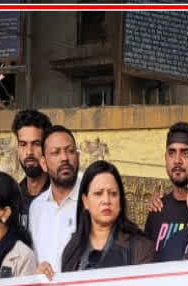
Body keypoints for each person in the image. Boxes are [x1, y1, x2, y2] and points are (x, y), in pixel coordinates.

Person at [37, 160, 154, 277]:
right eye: (98, 193)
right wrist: (44, 278)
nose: (106, 200)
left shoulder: (140, 247)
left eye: (113, 193)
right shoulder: (72, 248)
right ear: (85, 201)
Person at [28, 125, 82, 269]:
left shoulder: (92, 197)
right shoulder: (36, 208)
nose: (64, 158)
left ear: (78, 157)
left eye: (70, 151)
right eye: (55, 153)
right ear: (44, 164)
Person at [144, 122, 188, 251]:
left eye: (185, 153)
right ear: (165, 158)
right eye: (171, 153)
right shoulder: (157, 210)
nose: (177, 160)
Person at [12, 109, 52, 213]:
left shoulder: (60, 195)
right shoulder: (12, 198)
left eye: (36, 144)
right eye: (23, 144)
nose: (29, 152)